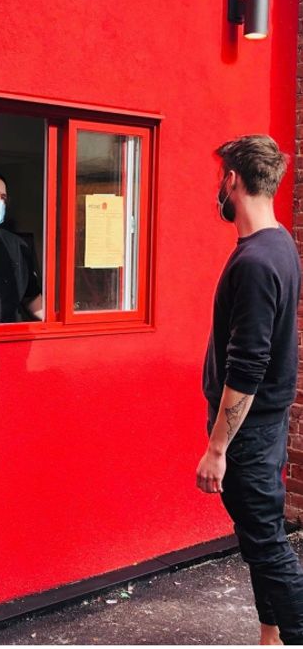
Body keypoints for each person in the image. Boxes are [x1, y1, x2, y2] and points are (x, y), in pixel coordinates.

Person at [195, 134, 300, 646]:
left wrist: (218, 449)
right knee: (259, 540)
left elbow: (248, 366)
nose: (220, 186)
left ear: (233, 179)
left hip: (250, 436)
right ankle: (270, 638)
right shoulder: (280, 243)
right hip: (267, 427)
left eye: (221, 177)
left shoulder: (257, 262)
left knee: (268, 545)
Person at [0, 171, 44, 323]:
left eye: (2, 197)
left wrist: (52, 322)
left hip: (7, 335)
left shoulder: (15, 245)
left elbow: (31, 295)